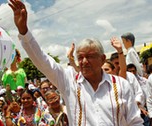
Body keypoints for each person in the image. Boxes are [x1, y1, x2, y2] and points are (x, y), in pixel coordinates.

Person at [8, 0, 143, 125]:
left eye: (90, 56)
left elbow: (134, 121)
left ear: (102, 59)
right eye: (80, 57)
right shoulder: (69, 81)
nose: (84, 61)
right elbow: (42, 60)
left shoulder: (121, 85)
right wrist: (24, 31)